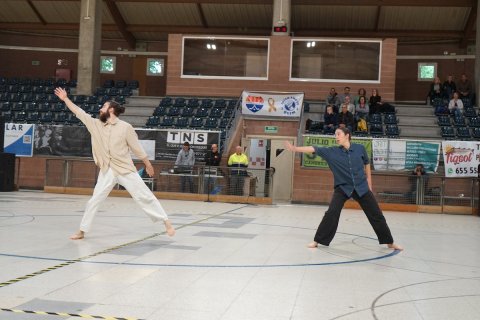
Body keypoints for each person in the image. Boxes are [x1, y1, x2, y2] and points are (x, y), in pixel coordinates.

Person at [54, 87, 175, 240]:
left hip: (125, 169)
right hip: (107, 170)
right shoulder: (96, 125)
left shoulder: (126, 128)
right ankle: (82, 231)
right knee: (94, 200)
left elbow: (136, 148)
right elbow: (79, 112)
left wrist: (148, 164)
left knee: (144, 196)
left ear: (110, 110)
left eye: (103, 107)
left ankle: (166, 222)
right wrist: (65, 98)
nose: (100, 109)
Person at [284, 127, 402, 251]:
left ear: (347, 135)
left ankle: (389, 242)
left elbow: (366, 163)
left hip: (361, 187)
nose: (336, 137)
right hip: (343, 188)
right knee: (331, 213)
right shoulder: (332, 152)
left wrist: (369, 183)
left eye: (338, 134)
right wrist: (295, 149)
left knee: (376, 214)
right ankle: (317, 240)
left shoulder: (360, 149)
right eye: (335, 135)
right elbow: (314, 148)